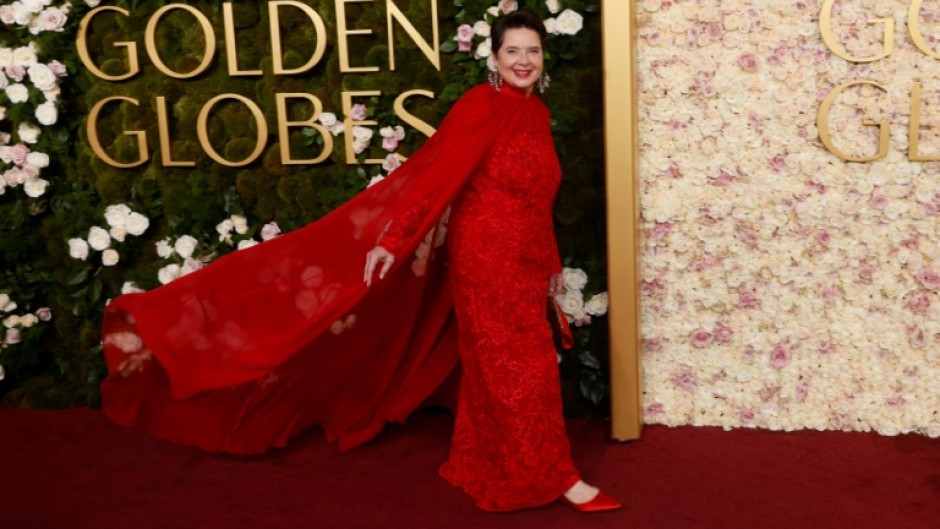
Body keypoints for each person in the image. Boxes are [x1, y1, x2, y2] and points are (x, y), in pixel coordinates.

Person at [100, 10, 618, 514]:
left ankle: (485, 461)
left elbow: (538, 200)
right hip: (485, 262)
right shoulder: (481, 105)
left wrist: (548, 267)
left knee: (502, 372)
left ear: (544, 57)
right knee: (519, 372)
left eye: (532, 51)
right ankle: (560, 476)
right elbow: (432, 175)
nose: (523, 61)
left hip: (525, 263)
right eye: (513, 51)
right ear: (494, 56)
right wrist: (389, 241)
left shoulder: (537, 114)